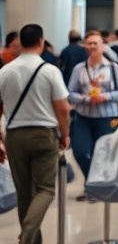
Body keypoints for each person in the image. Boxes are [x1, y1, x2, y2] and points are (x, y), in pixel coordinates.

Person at [0, 24, 71, 244]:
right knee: (45, 189)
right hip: (44, 134)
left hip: (14, 136)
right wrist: (65, 134)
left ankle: (30, 240)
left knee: (24, 193)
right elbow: (62, 108)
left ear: (20, 43)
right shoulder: (49, 71)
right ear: (41, 42)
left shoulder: (4, 71)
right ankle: (27, 233)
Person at [67, 31, 118, 202]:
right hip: (83, 117)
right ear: (85, 46)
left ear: (103, 46)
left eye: (95, 43)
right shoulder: (79, 69)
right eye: (89, 43)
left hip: (105, 117)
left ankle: (94, 189)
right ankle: (90, 182)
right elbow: (70, 93)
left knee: (99, 154)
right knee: (79, 151)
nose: (92, 47)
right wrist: (86, 99)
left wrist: (106, 97)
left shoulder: (113, 68)